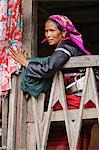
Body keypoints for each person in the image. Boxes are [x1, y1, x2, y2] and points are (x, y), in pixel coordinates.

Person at [10, 15, 93, 149]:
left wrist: (25, 63)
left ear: (64, 32)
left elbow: (48, 68)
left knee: (59, 136)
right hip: (81, 98)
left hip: (78, 99)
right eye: (46, 31)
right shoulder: (68, 46)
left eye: (52, 31)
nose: (48, 35)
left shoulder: (66, 46)